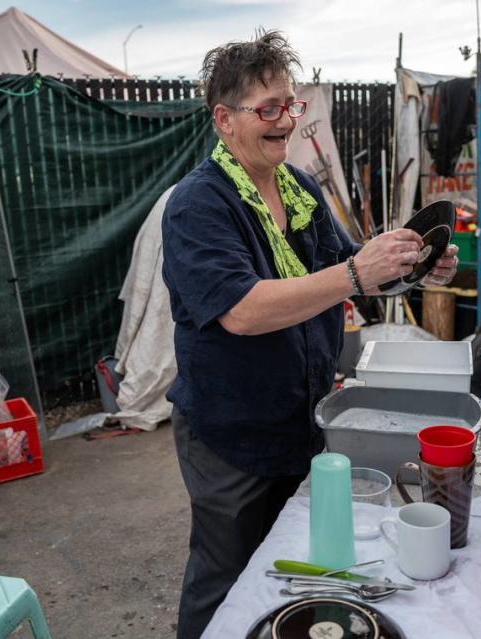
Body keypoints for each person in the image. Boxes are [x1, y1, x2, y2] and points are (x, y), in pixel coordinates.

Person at [161, 30, 458, 638]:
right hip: (231, 434)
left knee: (289, 568)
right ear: (225, 119)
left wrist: (413, 268)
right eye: (268, 108)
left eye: (290, 105)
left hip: (303, 420)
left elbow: (351, 277)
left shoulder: (299, 188)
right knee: (223, 577)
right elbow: (241, 310)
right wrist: (355, 272)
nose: (285, 121)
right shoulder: (197, 206)